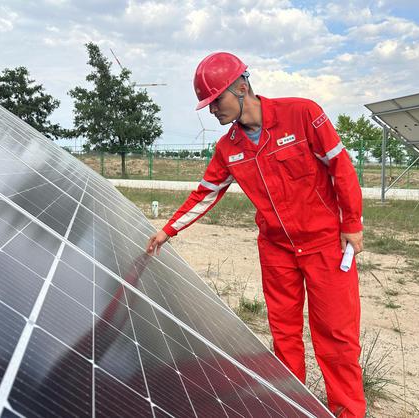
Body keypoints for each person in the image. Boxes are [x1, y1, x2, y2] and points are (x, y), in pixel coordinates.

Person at [146, 52, 366, 418]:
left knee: (336, 339)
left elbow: (340, 166)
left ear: (241, 87)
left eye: (216, 100)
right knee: (284, 337)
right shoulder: (228, 148)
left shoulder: (302, 113)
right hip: (277, 250)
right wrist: (168, 230)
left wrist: (352, 223)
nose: (212, 110)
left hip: (325, 245)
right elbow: (206, 193)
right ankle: (292, 409)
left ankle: (348, 413)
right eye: (208, 103)